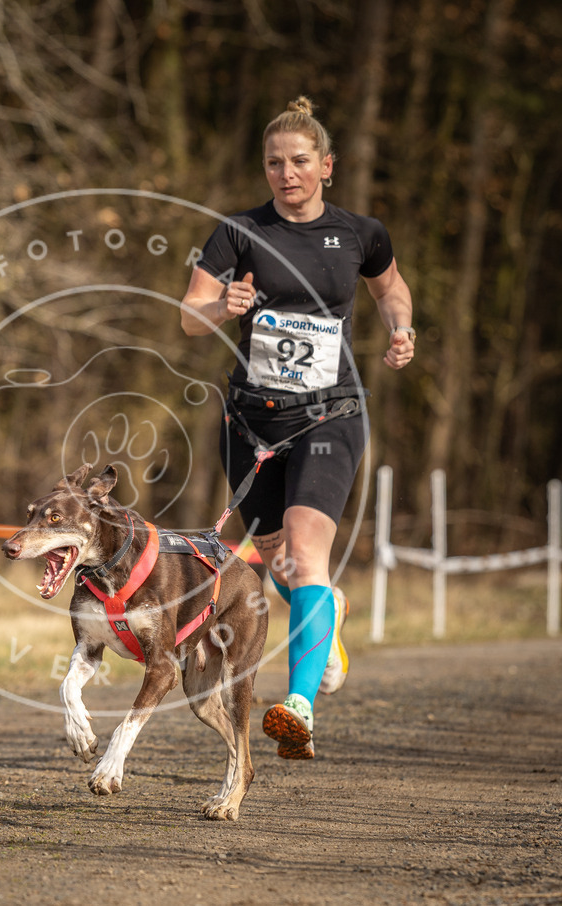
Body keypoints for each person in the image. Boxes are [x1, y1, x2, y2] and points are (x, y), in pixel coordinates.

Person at [180, 96, 414, 759]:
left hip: (330, 413)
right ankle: (326, 611)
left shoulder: (360, 233)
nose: (287, 174)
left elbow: (391, 289)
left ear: (328, 166)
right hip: (250, 419)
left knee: (307, 555)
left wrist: (400, 327)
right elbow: (187, 317)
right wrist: (222, 307)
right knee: (284, 562)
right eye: (275, 163)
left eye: (301, 162)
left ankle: (299, 705)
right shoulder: (236, 232)